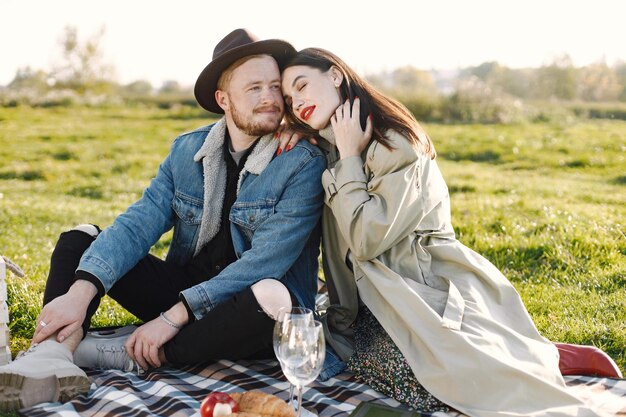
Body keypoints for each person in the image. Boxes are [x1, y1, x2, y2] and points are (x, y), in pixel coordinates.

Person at [0, 29, 326, 411]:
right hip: (187, 290)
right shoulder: (187, 150)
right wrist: (79, 294)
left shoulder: (302, 161)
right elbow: (138, 225)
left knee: (272, 293)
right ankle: (53, 355)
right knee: (81, 239)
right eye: (254, 88)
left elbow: (264, 263)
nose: (270, 98)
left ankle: (130, 352)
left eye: (274, 86)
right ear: (223, 99)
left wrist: (171, 318)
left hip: (247, 311)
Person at [280, 48, 612, 417]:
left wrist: (349, 158)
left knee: (438, 386)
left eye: (302, 85)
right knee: (357, 361)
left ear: (336, 75)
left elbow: (366, 239)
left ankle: (542, 355)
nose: (297, 102)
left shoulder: (395, 143)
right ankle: (529, 352)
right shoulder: (327, 148)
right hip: (372, 307)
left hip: (422, 290)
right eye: (290, 99)